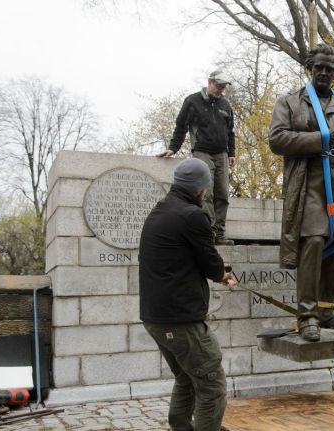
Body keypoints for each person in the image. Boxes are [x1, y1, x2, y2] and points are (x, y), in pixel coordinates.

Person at [269, 43, 334, 342]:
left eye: (330, 69)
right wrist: (320, 139)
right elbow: (276, 139)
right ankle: (307, 316)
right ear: (309, 67)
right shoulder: (290, 101)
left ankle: (327, 311)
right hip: (309, 184)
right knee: (314, 241)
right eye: (319, 68)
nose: (324, 73)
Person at [139, 158, 236, 431]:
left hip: (154, 318)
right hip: (181, 321)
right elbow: (210, 263)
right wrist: (223, 275)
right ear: (201, 188)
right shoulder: (193, 215)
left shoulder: (160, 210)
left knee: (186, 378)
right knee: (212, 384)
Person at [158, 70, 236, 246]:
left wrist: (231, 153)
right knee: (206, 193)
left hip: (222, 153)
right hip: (202, 151)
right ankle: (207, 233)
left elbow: (230, 131)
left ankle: (219, 234)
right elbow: (181, 126)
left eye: (223, 87)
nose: (221, 90)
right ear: (210, 82)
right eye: (218, 86)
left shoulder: (225, 104)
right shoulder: (192, 101)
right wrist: (173, 148)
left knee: (223, 194)